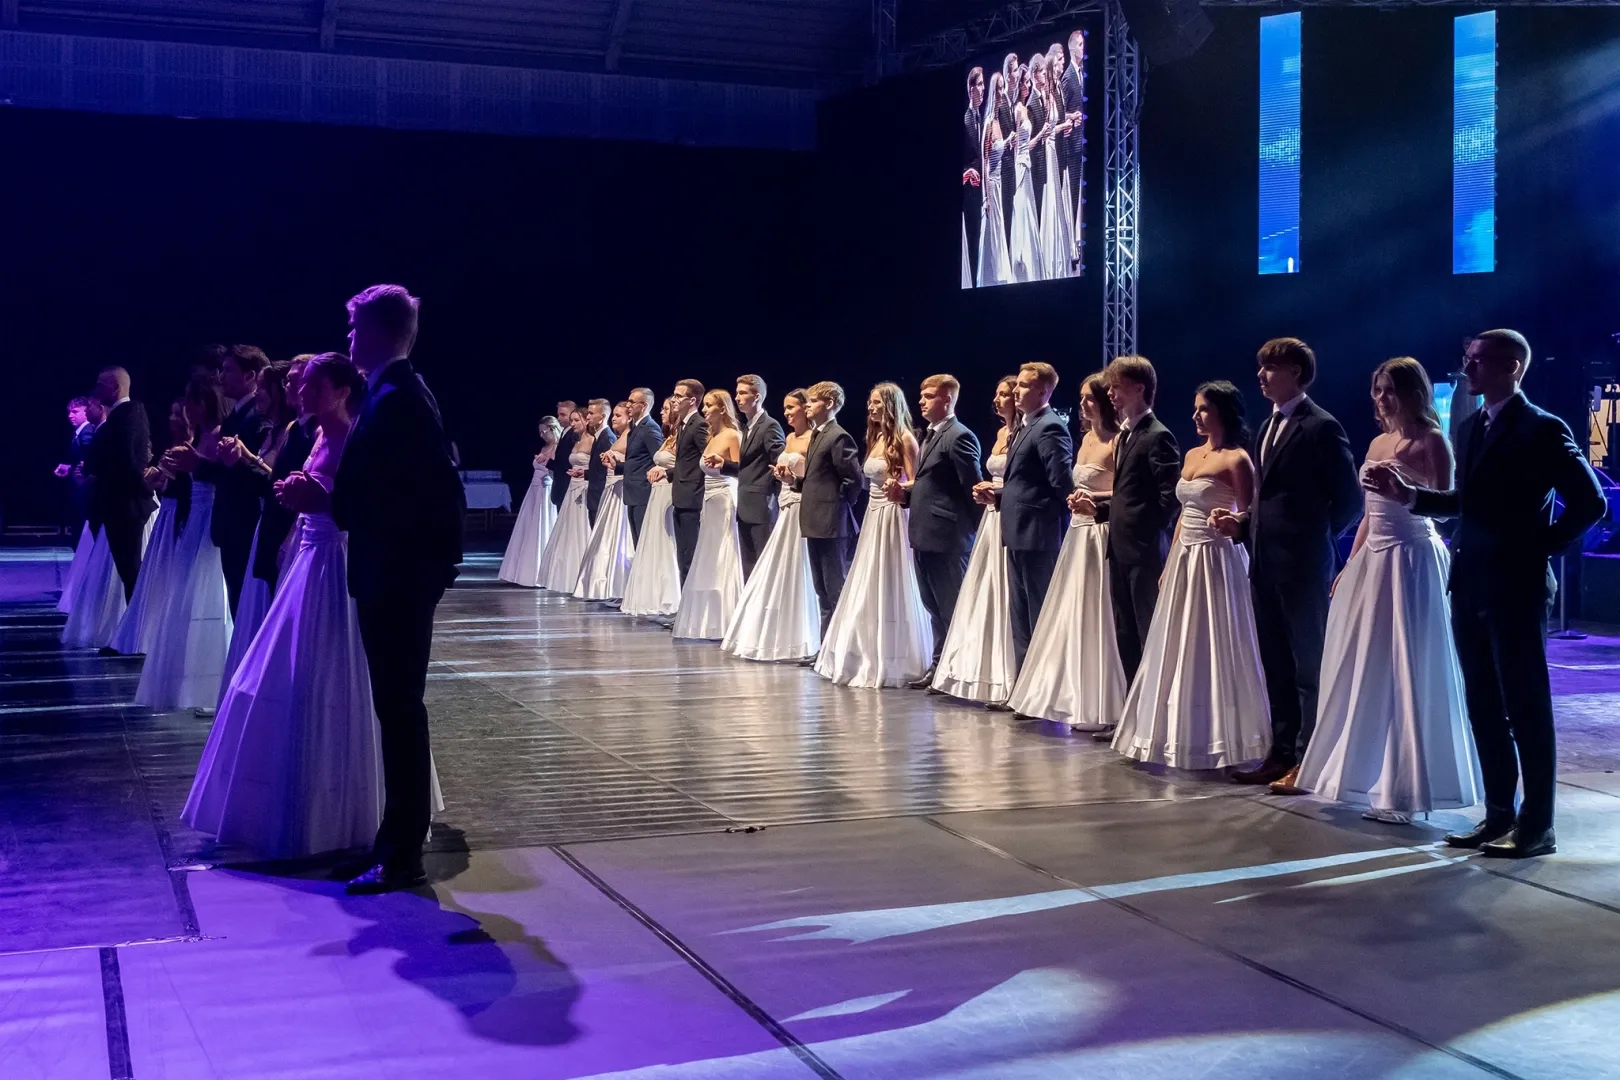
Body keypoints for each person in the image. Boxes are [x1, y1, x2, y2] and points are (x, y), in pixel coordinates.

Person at [185, 353, 444, 858]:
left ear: (341, 391)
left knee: (335, 676)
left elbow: (364, 503)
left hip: (335, 563)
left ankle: (345, 809)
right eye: (299, 386)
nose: (300, 392)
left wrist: (318, 499)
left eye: (312, 386)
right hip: (303, 558)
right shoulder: (316, 434)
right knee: (277, 674)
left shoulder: (354, 433)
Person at [1365, 330, 1605, 858]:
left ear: (1512, 366)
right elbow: (1464, 503)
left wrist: (1541, 546)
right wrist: (1413, 497)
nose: (1468, 369)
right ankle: (1498, 816)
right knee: (1484, 707)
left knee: (1526, 710)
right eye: (1467, 359)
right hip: (1469, 581)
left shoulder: (1542, 427)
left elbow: (1590, 503)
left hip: (1515, 586)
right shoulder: (1472, 425)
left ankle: (1536, 825)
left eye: (1477, 361)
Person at [279, 284, 465, 894]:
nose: (348, 339)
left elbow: (420, 494)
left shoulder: (399, 397)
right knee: (394, 708)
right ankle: (391, 842)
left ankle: (402, 851)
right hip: (394, 570)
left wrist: (328, 499)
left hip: (399, 574)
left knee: (400, 709)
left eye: (354, 329)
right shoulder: (393, 392)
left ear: (382, 332)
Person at [1297, 358, 1480, 824]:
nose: (1382, 398)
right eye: (1377, 389)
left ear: (1414, 393)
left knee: (1408, 664)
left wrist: (1406, 491)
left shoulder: (1432, 441)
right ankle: (1370, 774)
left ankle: (1407, 786)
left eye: (1391, 390)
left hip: (1411, 557)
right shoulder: (1378, 441)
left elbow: (1445, 508)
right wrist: (1351, 561)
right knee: (1369, 664)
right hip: (1375, 557)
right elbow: (1368, 512)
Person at [1211, 338, 1362, 791]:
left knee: (1306, 665)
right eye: (1260, 367)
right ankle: (1279, 752)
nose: (1261, 375)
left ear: (1296, 372)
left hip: (1302, 563)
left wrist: (1312, 539)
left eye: (1270, 368)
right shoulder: (1267, 426)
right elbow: (1265, 497)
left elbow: (1350, 500)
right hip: (1263, 560)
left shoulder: (1321, 426)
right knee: (1274, 660)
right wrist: (1244, 523)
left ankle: (1308, 758)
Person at [1111, 382, 1271, 769]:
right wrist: (1170, 561)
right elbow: (1183, 511)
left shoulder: (1237, 460)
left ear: (1223, 412)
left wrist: (1232, 520)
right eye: (1195, 409)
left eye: (1203, 409)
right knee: (1176, 641)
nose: (1196, 416)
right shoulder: (1193, 453)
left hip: (1217, 558)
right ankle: (1174, 729)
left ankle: (1222, 734)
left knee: (1215, 642)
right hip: (1185, 557)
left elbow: (1251, 516)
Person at [1009, 372, 1127, 728]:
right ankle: (1070, 692)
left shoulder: (1118, 441)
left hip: (1099, 532)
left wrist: (1091, 499)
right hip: (1079, 533)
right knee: (1069, 612)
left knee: (1097, 613)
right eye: (1082, 398)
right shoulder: (1086, 438)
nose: (1083, 404)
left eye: (1089, 398)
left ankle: (1105, 700)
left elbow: (1124, 492)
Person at [1081, 355, 1179, 740]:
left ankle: (1151, 718)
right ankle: (1131, 716)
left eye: (1116, 386)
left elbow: (1168, 497)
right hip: (1118, 547)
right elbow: (1127, 495)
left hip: (1143, 550)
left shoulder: (1157, 435)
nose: (1111, 393)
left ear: (1139, 388)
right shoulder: (1125, 434)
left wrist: (1145, 532)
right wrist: (1102, 509)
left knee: (1146, 631)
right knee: (1125, 633)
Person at [815, 383, 932, 688]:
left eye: (877, 402)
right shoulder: (876, 437)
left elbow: (916, 483)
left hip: (894, 516)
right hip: (873, 515)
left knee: (891, 581)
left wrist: (900, 487)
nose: (871, 407)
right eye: (870, 402)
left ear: (891, 404)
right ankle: (865, 649)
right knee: (868, 580)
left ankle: (897, 655)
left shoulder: (906, 439)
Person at [135, 372, 233, 712]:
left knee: (207, 594)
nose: (188, 409)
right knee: (184, 592)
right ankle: (188, 678)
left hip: (209, 520)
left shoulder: (218, 435)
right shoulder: (200, 436)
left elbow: (221, 479)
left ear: (204, 402)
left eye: (192, 401)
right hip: (194, 519)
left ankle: (211, 677)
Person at [890, 374, 984, 690]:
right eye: (922, 395)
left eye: (929, 396)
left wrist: (972, 533)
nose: (921, 401)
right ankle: (938, 666)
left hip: (948, 537)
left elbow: (973, 489)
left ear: (946, 399)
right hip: (924, 533)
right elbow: (929, 484)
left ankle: (961, 670)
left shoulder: (959, 436)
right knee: (933, 606)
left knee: (952, 607)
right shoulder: (930, 435)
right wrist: (905, 495)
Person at [926, 377, 1013, 703]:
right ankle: (958, 666)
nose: (1001, 398)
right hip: (992, 514)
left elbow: (968, 483)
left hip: (997, 517)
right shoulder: (1002, 434)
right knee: (972, 598)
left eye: (1006, 393)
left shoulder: (961, 436)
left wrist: (981, 506)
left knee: (992, 596)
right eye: (1000, 392)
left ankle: (1003, 674)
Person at [723, 388, 821, 662]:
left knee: (793, 567)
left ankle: (804, 633)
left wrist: (788, 479)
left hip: (799, 505)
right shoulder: (790, 436)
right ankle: (771, 629)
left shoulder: (810, 436)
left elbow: (814, 474)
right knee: (770, 568)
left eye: (792, 407)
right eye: (786, 407)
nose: (788, 412)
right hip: (784, 501)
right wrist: (781, 475)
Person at [218, 362, 298, 691]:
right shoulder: (273, 429)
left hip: (277, 530)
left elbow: (272, 480)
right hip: (261, 529)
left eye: (265, 388)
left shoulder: (290, 431)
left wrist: (246, 458)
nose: (259, 395)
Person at [992, 362, 1074, 670]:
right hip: (1016, 530)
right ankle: (1023, 683)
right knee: (1020, 610)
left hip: (1038, 532)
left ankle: (1041, 682)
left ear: (1043, 391)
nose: (1016, 390)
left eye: (1024, 385)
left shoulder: (1050, 426)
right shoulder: (1025, 425)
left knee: (1038, 610)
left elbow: (1061, 482)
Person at [195, 345, 274, 615]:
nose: (221, 377)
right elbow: (223, 470)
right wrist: (200, 464)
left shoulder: (260, 416)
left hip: (247, 523)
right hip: (231, 523)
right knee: (237, 603)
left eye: (228, 370)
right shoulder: (235, 416)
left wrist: (232, 461)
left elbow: (259, 471)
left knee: (248, 607)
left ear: (250, 376)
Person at [108, 401, 190, 656]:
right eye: (172, 412)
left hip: (180, 512)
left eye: (178, 413)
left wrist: (159, 478)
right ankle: (142, 633)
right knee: (154, 577)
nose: (172, 418)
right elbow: (160, 482)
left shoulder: (192, 448)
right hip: (167, 512)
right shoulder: (173, 449)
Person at [672, 390, 744, 639]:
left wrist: (723, 465)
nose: (704, 410)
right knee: (708, 556)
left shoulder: (733, 435)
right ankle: (707, 618)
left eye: (710, 406)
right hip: (708, 500)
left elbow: (741, 472)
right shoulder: (712, 436)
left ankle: (727, 616)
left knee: (724, 555)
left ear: (722, 409)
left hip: (725, 498)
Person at [797, 381, 864, 637]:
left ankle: (837, 645)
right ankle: (825, 646)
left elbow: (853, 480)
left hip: (832, 522)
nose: (807, 405)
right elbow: (819, 477)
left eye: (813, 401)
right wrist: (795, 482)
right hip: (815, 521)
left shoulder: (838, 436)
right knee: (821, 589)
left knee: (834, 588)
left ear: (830, 404)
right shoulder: (817, 433)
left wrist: (836, 503)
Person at [84, 366, 156, 601]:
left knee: (131, 569)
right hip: (116, 505)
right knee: (127, 569)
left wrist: (146, 489)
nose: (96, 390)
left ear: (114, 387)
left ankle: (136, 627)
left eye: (100, 384)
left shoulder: (130, 412)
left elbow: (129, 459)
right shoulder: (118, 415)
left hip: (126, 506)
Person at [249, 356, 318, 598]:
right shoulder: (293, 428)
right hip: (274, 528)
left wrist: (288, 541)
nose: (287, 386)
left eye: (294, 380)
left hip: (292, 535)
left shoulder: (316, 431)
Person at [621, 397, 683, 619]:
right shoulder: (669, 437)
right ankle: (652, 593)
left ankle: (669, 596)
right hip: (656, 492)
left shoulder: (655, 431)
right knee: (649, 544)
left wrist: (663, 472)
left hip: (666, 493)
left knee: (666, 545)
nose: (663, 412)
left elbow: (683, 465)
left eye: (667, 409)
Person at [724, 374, 786, 579]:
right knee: (748, 564)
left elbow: (780, 462)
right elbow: (749, 467)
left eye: (742, 393)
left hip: (762, 505)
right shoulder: (747, 427)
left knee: (764, 564)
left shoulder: (769, 426)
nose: (737, 398)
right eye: (737, 393)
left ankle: (767, 608)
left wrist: (773, 493)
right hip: (745, 504)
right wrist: (724, 466)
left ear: (757, 397)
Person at [576, 402, 637, 601]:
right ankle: (607, 586)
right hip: (610, 490)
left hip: (620, 490)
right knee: (605, 540)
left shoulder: (630, 437)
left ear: (629, 418)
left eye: (619, 416)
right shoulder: (619, 437)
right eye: (614, 416)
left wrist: (616, 464)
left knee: (619, 540)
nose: (615, 419)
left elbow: (636, 463)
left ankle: (619, 586)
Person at [498, 415, 562, 587]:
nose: (542, 434)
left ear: (553, 429)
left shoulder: (558, 447)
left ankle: (541, 571)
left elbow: (559, 471)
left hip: (546, 489)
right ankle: (523, 570)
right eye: (540, 431)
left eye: (545, 431)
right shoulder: (544, 446)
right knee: (527, 527)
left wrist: (547, 464)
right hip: (534, 490)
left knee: (542, 525)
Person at [538, 408, 593, 593]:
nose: (573, 423)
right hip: (571, 486)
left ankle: (583, 573)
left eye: (576, 419)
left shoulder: (593, 440)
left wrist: (584, 473)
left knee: (581, 529)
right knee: (568, 530)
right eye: (572, 420)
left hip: (583, 488)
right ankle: (567, 573)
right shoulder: (575, 439)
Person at [670, 379, 710, 583]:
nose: (673, 400)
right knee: (683, 554)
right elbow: (686, 461)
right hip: (681, 496)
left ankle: (690, 608)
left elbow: (707, 460)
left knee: (691, 554)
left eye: (678, 396)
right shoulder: (684, 425)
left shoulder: (699, 425)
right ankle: (685, 607)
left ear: (692, 400)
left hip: (692, 497)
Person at [977, 73, 1012, 288]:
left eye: (1003, 88)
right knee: (991, 229)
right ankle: (990, 275)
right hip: (991, 184)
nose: (1002, 93)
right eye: (998, 89)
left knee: (999, 229)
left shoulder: (999, 122)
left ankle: (999, 274)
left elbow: (999, 151)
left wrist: (1008, 141)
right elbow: (986, 160)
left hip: (999, 183)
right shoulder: (989, 123)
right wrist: (986, 197)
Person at [1008, 69, 1043, 283]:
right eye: (1025, 83)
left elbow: (1026, 146)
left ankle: (1029, 258)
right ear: (1019, 84)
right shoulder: (1018, 111)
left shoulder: (1025, 110)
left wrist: (1039, 136)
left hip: (1026, 164)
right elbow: (1015, 147)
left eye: (1029, 82)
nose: (1028, 86)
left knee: (1028, 210)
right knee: (1020, 210)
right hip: (1019, 167)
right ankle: (1020, 261)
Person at [619, 387, 662, 544]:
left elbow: (658, 459)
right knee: (636, 541)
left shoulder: (650, 428)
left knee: (644, 542)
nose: (628, 405)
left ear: (643, 406)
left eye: (632, 402)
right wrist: (616, 466)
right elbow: (636, 460)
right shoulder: (635, 428)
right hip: (633, 494)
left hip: (643, 493)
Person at [56, 396, 98, 544]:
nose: (70, 416)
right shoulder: (79, 432)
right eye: (69, 412)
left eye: (75, 412)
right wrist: (69, 467)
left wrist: (80, 469)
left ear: (86, 412)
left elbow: (88, 456)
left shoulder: (87, 431)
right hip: (79, 486)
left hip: (84, 486)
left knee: (82, 523)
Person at [962, 66, 986, 287]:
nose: (983, 89)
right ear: (971, 89)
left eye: (983, 84)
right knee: (971, 234)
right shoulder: (966, 119)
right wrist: (966, 172)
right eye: (979, 85)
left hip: (983, 189)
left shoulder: (982, 117)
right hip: (968, 190)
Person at [581, 398, 614, 526]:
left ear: (602, 416)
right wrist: (584, 473)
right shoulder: (598, 436)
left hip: (600, 496)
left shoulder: (607, 437)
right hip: (595, 496)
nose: (587, 417)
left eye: (591, 413)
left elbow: (609, 470)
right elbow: (598, 469)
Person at [548, 398, 579, 512]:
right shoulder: (565, 432)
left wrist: (548, 462)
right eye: (558, 415)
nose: (559, 418)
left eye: (563, 415)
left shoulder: (573, 435)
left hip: (566, 485)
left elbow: (566, 461)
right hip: (560, 485)